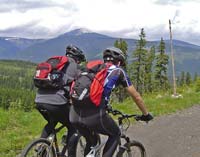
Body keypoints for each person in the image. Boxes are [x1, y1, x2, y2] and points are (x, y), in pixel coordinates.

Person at [70, 47, 153, 157]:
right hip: (93, 114)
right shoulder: (118, 71)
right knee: (115, 134)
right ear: (119, 62)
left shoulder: (92, 69)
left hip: (74, 114)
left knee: (92, 142)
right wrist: (146, 114)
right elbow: (136, 96)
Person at [35, 44, 86, 156]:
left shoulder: (56, 64)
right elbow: (80, 87)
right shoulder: (75, 67)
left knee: (51, 122)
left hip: (39, 101)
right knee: (73, 125)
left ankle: (41, 149)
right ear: (77, 59)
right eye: (80, 61)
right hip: (56, 102)